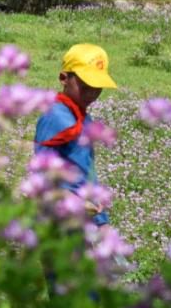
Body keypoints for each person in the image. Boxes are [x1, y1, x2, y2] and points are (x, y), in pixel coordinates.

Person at [34, 44, 117, 227]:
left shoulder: (82, 116)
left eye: (97, 86)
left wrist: (100, 217)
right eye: (85, 85)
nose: (92, 92)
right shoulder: (55, 116)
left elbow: (84, 168)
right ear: (64, 78)